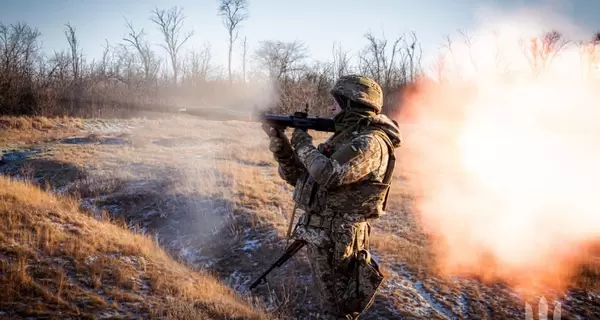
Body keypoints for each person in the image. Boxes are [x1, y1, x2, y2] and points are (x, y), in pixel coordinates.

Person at [262, 75, 402, 319]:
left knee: (338, 311)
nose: (330, 108)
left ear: (352, 103)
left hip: (339, 238)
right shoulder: (343, 138)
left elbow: (328, 174)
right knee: (330, 306)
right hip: (322, 234)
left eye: (335, 102)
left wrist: (303, 142)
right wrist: (282, 146)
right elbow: (303, 177)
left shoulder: (371, 142)